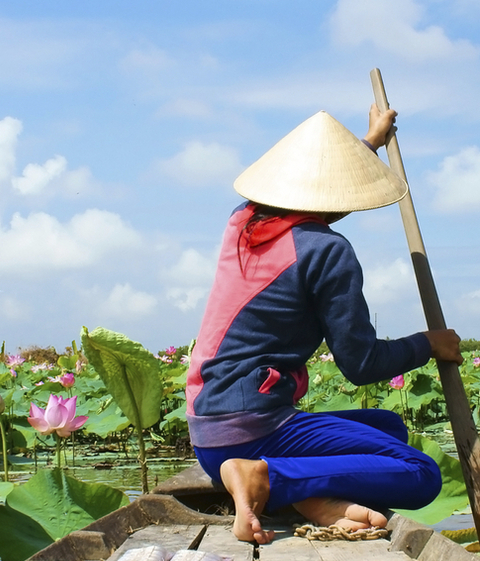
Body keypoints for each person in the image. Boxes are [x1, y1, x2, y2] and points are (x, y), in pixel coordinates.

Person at [184, 104, 464, 544]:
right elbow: (361, 362)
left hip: (207, 432)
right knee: (420, 472)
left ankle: (301, 491)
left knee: (388, 428)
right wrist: (428, 344)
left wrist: (368, 142)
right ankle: (268, 478)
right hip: (252, 432)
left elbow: (317, 191)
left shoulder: (242, 220)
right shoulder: (327, 251)